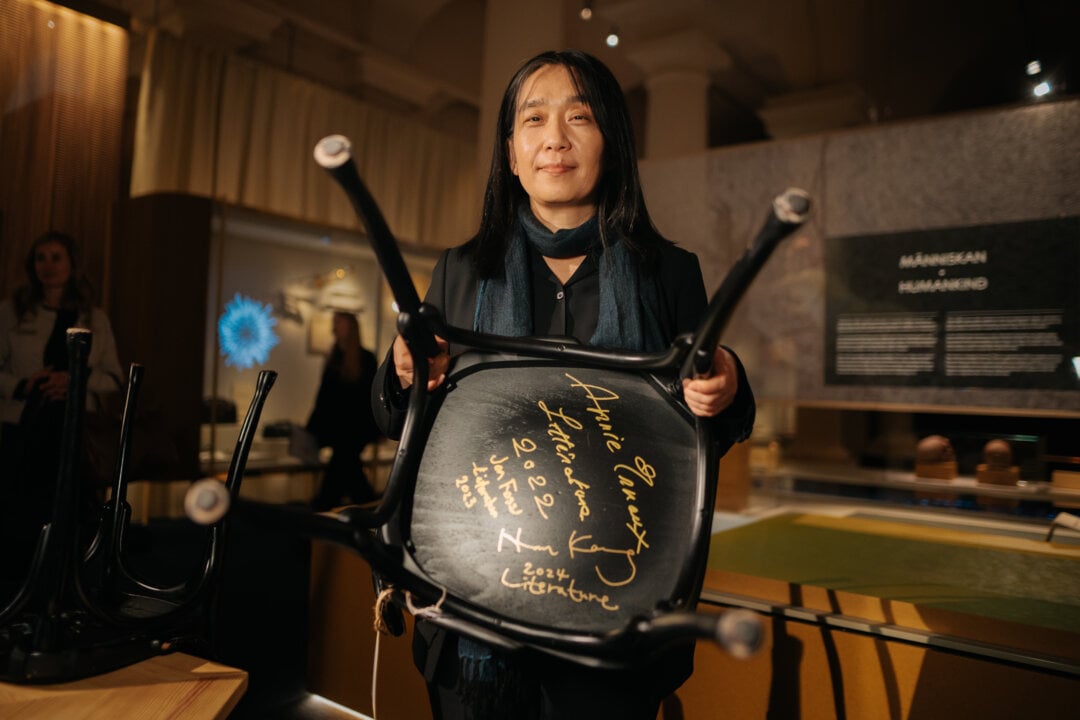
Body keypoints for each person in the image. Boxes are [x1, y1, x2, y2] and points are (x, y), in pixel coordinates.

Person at [371, 50, 755, 719]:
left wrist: (725, 386)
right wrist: (405, 373)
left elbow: (711, 428)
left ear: (613, 143)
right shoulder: (461, 271)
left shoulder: (669, 274)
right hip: (471, 617)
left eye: (580, 117)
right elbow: (399, 418)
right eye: (534, 119)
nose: (555, 136)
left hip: (617, 621)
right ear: (512, 154)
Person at [0, 231, 123, 593]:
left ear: (71, 264)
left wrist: (76, 379)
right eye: (41, 258)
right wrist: (24, 383)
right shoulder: (11, 311)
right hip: (22, 430)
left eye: (56, 257)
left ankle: (65, 601)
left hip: (73, 436)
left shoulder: (94, 317)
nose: (48, 266)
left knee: (70, 518)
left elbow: (115, 377)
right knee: (16, 519)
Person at [306, 310, 381, 510]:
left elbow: (368, 397)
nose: (334, 328)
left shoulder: (364, 358)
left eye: (338, 323)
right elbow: (325, 396)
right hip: (340, 429)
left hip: (353, 429)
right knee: (347, 474)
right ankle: (368, 512)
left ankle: (323, 513)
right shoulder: (335, 357)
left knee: (341, 475)